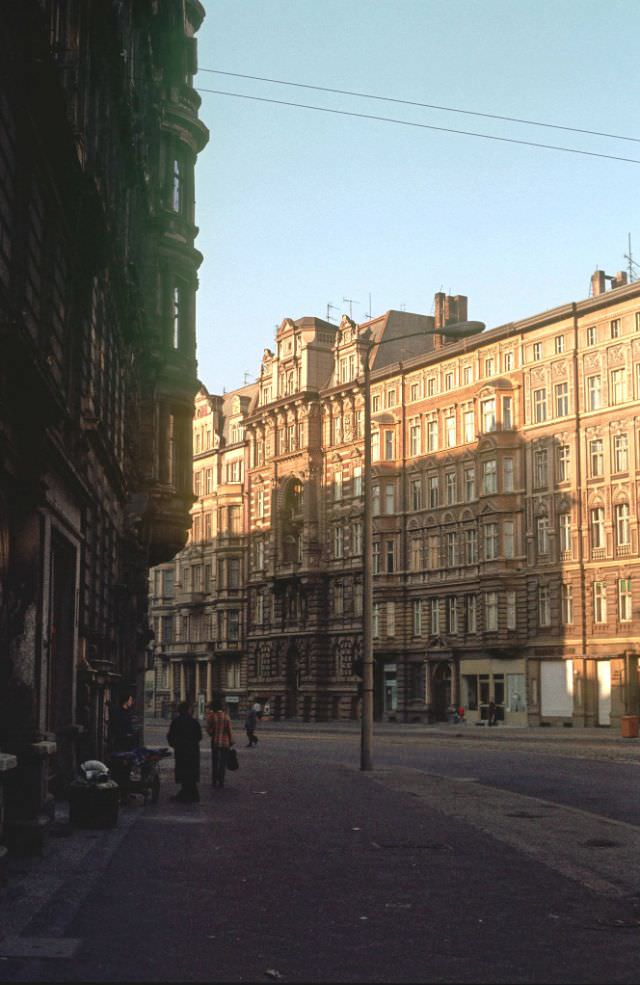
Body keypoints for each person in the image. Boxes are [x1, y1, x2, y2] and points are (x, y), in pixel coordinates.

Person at [167, 701, 202, 802]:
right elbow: (199, 736)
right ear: (188, 710)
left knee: (183, 772)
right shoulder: (194, 722)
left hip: (181, 751)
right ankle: (191, 794)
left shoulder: (176, 721)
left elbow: (171, 737)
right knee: (191, 773)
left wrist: (175, 745)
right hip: (193, 751)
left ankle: (187, 794)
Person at [205, 697, 234, 788]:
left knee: (215, 762)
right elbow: (229, 730)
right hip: (225, 743)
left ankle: (214, 780)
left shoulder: (211, 716)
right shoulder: (226, 716)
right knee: (222, 762)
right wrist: (231, 741)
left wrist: (212, 733)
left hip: (215, 742)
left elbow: (208, 729)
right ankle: (221, 781)